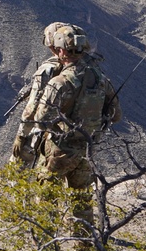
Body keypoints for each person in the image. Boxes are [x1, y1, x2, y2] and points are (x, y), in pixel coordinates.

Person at [31, 24, 121, 230]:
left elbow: (41, 120)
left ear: (61, 51)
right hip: (86, 150)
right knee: (82, 201)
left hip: (59, 152)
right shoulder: (100, 80)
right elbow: (116, 115)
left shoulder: (59, 83)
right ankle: (85, 246)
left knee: (47, 198)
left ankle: (46, 242)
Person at [10, 21, 70, 165]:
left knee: (17, 164)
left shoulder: (47, 70)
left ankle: (12, 186)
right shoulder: (85, 68)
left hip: (45, 128)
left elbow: (32, 107)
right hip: (74, 132)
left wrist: (21, 136)